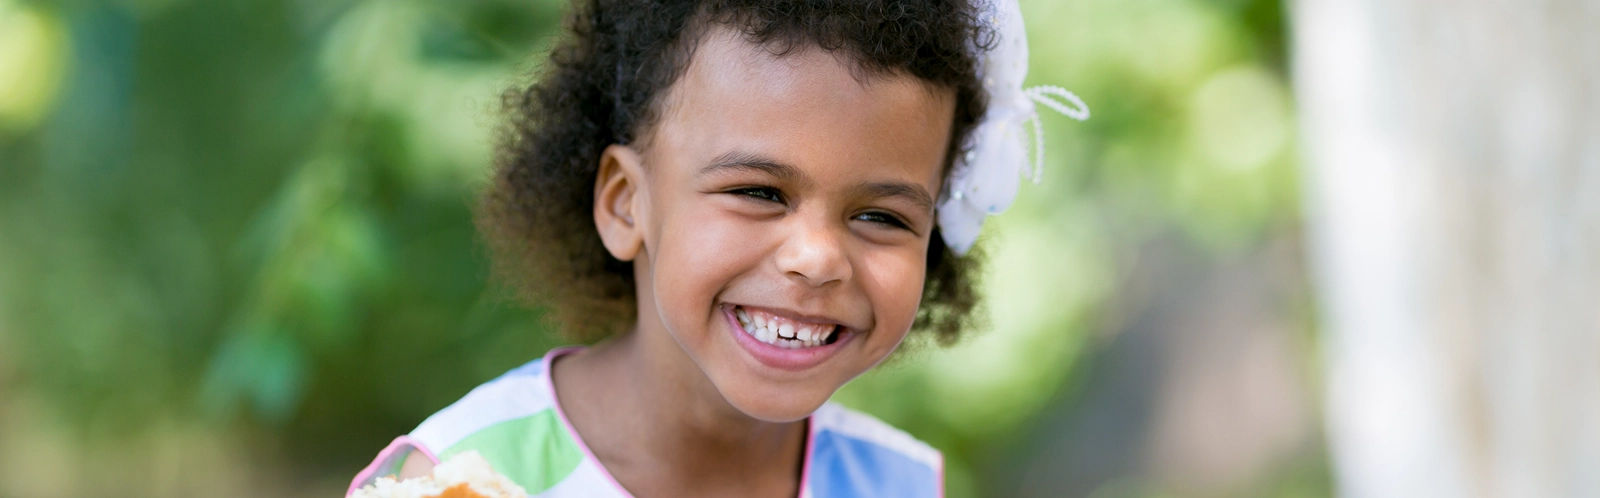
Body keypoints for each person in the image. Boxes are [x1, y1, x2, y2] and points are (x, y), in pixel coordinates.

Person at [348, 0, 1084, 495]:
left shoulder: (894, 483)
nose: (816, 257)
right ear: (625, 202)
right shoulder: (463, 477)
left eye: (881, 217)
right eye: (760, 193)